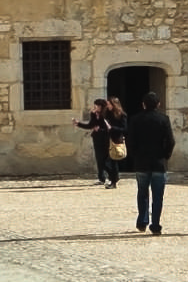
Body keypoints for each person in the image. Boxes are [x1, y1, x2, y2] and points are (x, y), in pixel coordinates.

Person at [126, 91, 175, 235]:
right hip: (159, 162)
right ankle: (155, 224)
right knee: (158, 196)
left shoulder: (135, 119)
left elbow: (130, 140)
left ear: (143, 104)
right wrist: (165, 155)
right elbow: (170, 140)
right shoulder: (163, 119)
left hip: (141, 161)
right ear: (158, 104)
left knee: (142, 193)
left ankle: (142, 220)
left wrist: (134, 155)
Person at [73, 98, 115, 186]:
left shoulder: (107, 114)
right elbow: (90, 125)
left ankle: (113, 176)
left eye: (97, 105)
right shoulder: (93, 114)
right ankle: (101, 178)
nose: (95, 107)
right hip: (97, 138)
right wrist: (78, 124)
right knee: (99, 159)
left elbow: (109, 127)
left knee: (105, 159)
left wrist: (100, 129)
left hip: (105, 138)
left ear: (101, 106)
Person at [104, 96, 129, 183]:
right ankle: (114, 177)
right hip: (107, 139)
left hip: (116, 139)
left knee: (113, 159)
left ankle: (113, 179)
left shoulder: (122, 115)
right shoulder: (107, 114)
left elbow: (124, 129)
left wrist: (112, 128)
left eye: (109, 104)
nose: (107, 106)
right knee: (105, 161)